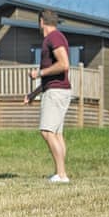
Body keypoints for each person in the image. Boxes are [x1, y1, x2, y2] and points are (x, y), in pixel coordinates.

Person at [24, 9, 72, 183]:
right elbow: (50, 76)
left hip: (56, 92)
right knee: (57, 134)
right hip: (57, 89)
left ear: (41, 22)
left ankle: (61, 174)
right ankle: (60, 173)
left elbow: (64, 64)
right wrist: (33, 94)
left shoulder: (54, 38)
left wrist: (39, 72)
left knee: (46, 131)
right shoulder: (55, 38)